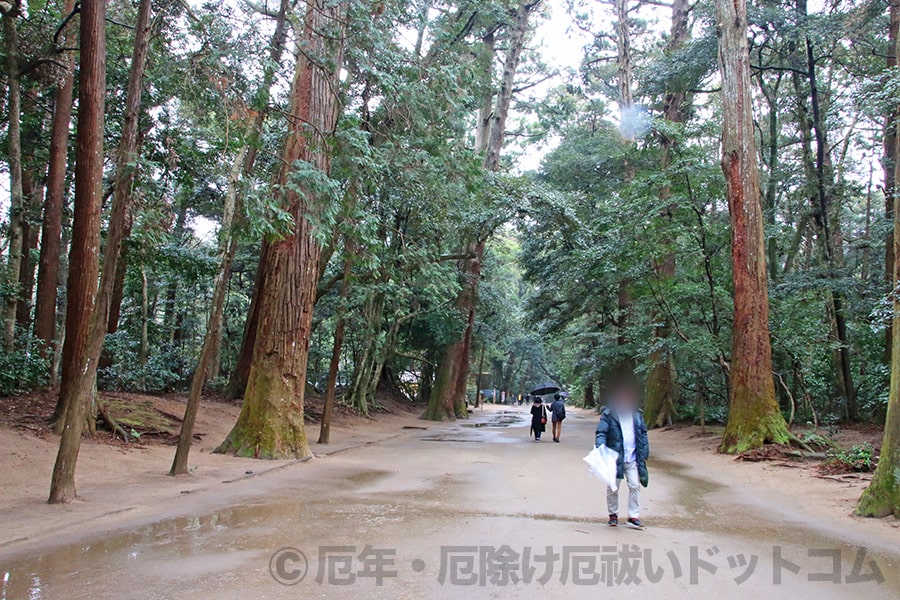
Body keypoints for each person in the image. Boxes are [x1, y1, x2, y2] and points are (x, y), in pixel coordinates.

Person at [594, 379, 649, 529]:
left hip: (632, 458)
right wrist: (600, 447)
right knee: (613, 487)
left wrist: (644, 452)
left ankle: (633, 516)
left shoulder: (637, 415)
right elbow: (601, 432)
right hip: (615, 457)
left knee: (635, 485)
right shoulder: (609, 414)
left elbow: (643, 433)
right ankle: (613, 514)